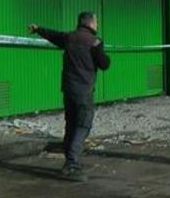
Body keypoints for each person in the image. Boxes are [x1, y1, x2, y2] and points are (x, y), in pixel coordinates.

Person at [29, 12, 111, 182]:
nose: (97, 25)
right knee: (83, 125)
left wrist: (38, 29)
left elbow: (53, 35)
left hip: (68, 90)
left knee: (71, 124)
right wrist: (105, 56)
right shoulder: (95, 42)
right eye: (96, 22)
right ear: (91, 23)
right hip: (84, 91)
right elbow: (104, 64)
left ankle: (70, 161)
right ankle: (72, 164)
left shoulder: (69, 37)